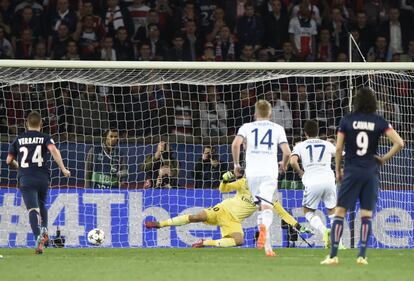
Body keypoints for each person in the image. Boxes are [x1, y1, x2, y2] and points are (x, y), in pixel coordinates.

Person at [321, 88, 404, 265]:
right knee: (366, 214)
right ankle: (362, 256)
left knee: (340, 212)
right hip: (370, 172)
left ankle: (333, 255)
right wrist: (383, 159)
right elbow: (399, 143)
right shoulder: (379, 121)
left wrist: (337, 170)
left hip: (351, 170)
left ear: (356, 102)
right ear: (373, 103)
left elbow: (337, 148)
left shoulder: (347, 120)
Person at [146, 171, 311, 248]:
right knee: (197, 217)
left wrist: (298, 226)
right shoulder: (244, 182)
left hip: (233, 221)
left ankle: (205, 243)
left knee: (239, 241)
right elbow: (223, 190)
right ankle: (160, 224)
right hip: (222, 210)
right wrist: (224, 180)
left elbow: (283, 213)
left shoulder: (269, 195)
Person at [231, 100, 291, 256]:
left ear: (255, 113)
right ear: (270, 114)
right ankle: (264, 230)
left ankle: (268, 248)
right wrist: (283, 165)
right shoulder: (278, 128)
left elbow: (235, 144)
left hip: (252, 173)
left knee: (260, 207)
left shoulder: (246, 127)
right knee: (267, 207)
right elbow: (287, 152)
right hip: (269, 172)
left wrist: (236, 164)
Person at [6, 111, 71, 254]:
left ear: (25, 124)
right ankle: (45, 230)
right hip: (42, 178)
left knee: (32, 209)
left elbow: (8, 160)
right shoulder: (45, 137)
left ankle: (38, 239)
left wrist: (20, 167)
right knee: (42, 204)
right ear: (41, 124)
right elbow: (53, 150)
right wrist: (63, 168)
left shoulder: (18, 139)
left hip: (26, 179)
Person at [290, 120, 338, 248]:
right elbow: (341, 154)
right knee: (332, 211)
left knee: (307, 211)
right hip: (329, 180)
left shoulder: (300, 145)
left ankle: (324, 231)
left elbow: (293, 161)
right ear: (318, 132)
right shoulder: (327, 144)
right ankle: (337, 241)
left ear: (305, 133)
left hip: (312, 181)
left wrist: (300, 171)